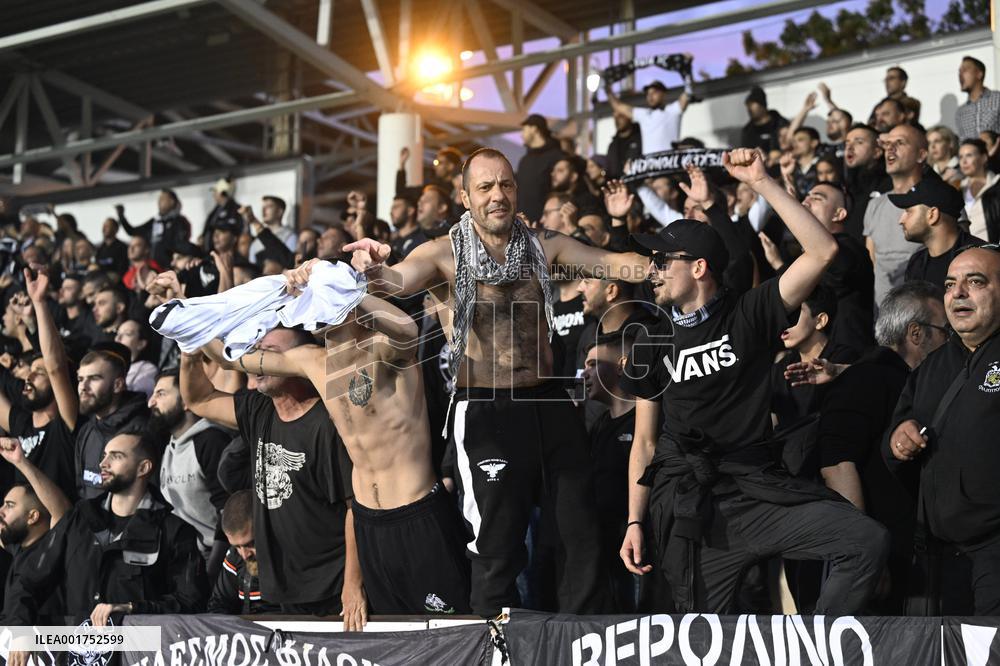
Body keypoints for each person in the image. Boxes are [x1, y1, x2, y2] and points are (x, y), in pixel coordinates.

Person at [344, 147, 649, 617]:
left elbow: (618, 266)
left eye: (506, 184)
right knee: (496, 548)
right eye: (485, 187)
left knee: (581, 534)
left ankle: (581, 641)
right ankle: (496, 645)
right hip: (486, 409)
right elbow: (397, 282)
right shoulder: (442, 253)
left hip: (549, 402)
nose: (498, 195)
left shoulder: (544, 244)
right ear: (465, 197)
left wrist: (635, 224)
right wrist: (374, 267)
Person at [619, 147, 888, 614]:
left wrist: (763, 181)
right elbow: (644, 444)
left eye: (663, 261)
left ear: (698, 267)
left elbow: (821, 251)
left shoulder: (750, 312)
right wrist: (633, 521)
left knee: (866, 540)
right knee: (701, 644)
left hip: (758, 493)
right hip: (693, 512)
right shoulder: (650, 343)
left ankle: (816, 648)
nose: (653, 271)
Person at [199, 274, 473, 620]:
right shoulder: (313, 361)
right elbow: (234, 361)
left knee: (452, 628)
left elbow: (406, 329)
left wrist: (345, 289)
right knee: (394, 637)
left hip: (416, 514)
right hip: (370, 524)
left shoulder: (383, 350)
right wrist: (191, 319)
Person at [179, 326, 360, 621]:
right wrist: (188, 348)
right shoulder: (259, 409)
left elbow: (356, 509)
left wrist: (353, 585)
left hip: (331, 591)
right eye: (257, 350)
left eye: (271, 353)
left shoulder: (327, 424)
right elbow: (199, 399)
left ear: (300, 362)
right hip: (281, 591)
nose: (257, 359)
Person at [813, 281, 948, 613]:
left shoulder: (888, 378)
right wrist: (865, 556)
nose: (951, 341)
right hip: (872, 566)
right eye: (946, 332)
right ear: (916, 334)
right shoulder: (870, 378)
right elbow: (835, 462)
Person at [886, 246, 1000, 614]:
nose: (959, 293)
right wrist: (898, 438)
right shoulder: (932, 366)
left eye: (976, 282)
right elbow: (896, 433)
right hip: (939, 556)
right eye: (950, 284)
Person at [4, 430, 207, 629]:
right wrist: (20, 632)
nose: (103, 464)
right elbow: (28, 581)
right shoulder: (79, 518)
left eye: (116, 456)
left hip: (141, 655)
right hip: (77, 654)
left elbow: (192, 602)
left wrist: (132, 609)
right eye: (104, 456)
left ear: (143, 468)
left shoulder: (176, 531)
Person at [0, 270, 78, 502]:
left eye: (40, 373)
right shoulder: (21, 423)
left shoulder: (64, 425)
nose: (29, 377)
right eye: (30, 371)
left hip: (57, 527)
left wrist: (39, 303)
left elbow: (56, 367)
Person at [148, 369, 230, 574]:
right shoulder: (168, 446)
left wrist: (212, 573)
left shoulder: (211, 441)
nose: (151, 402)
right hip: (184, 558)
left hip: (215, 560)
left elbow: (228, 511)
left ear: (186, 401)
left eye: (161, 394)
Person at [582, 334, 638, 612]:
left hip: (640, 551)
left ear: (621, 365)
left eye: (593, 364)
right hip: (604, 551)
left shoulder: (647, 423)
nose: (585, 373)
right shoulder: (599, 426)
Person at [864, 124, 928, 305]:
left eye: (900, 143)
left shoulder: (939, 198)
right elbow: (872, 262)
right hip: (883, 319)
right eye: (887, 144)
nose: (890, 148)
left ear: (921, 155)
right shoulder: (874, 204)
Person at [74, 348, 149, 499]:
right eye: (80, 379)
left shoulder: (142, 430)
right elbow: (81, 489)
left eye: (94, 378)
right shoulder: (86, 431)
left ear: (118, 385)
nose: (83, 387)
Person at [896, 174, 986, 287]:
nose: (901, 220)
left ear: (932, 215)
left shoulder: (983, 259)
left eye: (908, 211)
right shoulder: (916, 263)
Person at [208, 490, 279, 614]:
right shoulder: (235, 558)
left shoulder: (294, 554)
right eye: (237, 547)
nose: (245, 555)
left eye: (250, 544)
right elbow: (218, 607)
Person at [606, 70, 694, 154]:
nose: (650, 96)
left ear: (663, 94)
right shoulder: (643, 114)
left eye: (654, 92)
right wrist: (607, 88)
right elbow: (618, 106)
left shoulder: (673, 110)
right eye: (648, 93)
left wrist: (687, 70)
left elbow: (688, 93)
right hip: (649, 166)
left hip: (668, 164)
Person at [116, 189, 191, 269]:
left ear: (172, 202)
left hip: (172, 268)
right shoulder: (155, 222)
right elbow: (133, 232)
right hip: (153, 269)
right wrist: (121, 216)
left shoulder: (180, 221)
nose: (159, 202)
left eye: (163, 199)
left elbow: (182, 245)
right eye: (159, 199)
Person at [843, 123, 891, 241]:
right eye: (847, 143)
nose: (849, 147)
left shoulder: (890, 182)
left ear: (877, 152)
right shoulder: (844, 184)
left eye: (859, 142)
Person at [958, 138, 1000, 241]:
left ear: (983, 158)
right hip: (968, 252)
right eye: (960, 157)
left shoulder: (997, 185)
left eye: (969, 155)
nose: (964, 161)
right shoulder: (957, 189)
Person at [956, 56, 1000, 140]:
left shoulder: (997, 99)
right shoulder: (960, 112)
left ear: (979, 74)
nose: (960, 75)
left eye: (964, 70)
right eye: (959, 71)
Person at [116, 319, 158, 399]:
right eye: (117, 333)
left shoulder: (148, 369)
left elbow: (138, 398)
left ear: (141, 344)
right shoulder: (111, 365)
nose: (118, 338)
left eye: (127, 334)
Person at [245, 195, 296, 260]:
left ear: (280, 211)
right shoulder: (257, 241)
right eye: (263, 207)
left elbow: (291, 262)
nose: (263, 210)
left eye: (269, 206)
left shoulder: (290, 236)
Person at [740, 86, 788, 155]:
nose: (749, 110)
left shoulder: (780, 123)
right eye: (748, 106)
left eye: (753, 105)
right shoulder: (747, 131)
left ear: (762, 105)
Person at [605, 112, 642, 180]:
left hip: (639, 184)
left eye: (620, 117)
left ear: (629, 118)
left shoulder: (640, 139)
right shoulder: (612, 145)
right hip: (619, 186)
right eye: (615, 118)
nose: (616, 121)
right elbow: (610, 170)